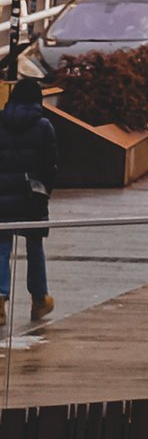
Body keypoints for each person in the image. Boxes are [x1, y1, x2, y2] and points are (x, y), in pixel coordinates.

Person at [0, 67, 57, 330]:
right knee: (34, 245)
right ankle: (39, 298)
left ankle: (0, 300)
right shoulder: (44, 126)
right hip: (31, 193)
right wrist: (46, 190)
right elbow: (50, 165)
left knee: (1, 246)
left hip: (2, 193)